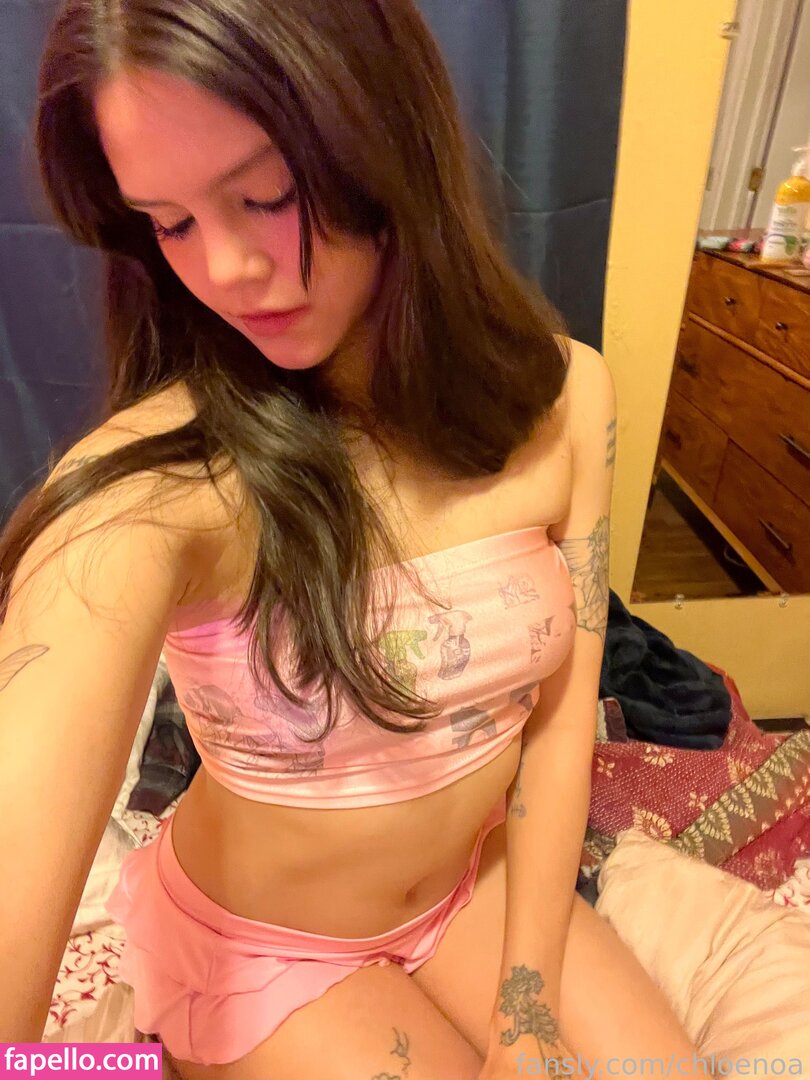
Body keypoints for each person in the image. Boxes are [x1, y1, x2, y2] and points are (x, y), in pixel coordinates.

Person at [0, 1, 703, 1077]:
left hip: (470, 886)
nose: (224, 269)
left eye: (264, 198)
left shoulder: (569, 397)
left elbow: (562, 720)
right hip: (258, 949)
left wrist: (525, 1005)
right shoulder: (151, 494)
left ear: (383, 139)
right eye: (170, 224)